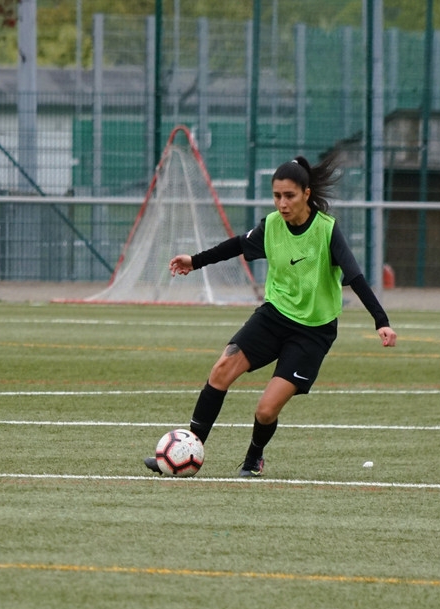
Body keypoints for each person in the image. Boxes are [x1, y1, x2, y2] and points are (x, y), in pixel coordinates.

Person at [144, 154, 397, 477]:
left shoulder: (326, 231)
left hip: (313, 331)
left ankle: (253, 458)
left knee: (266, 410)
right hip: (274, 316)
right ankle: (188, 448)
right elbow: (236, 245)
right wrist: (195, 261)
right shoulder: (272, 226)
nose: (282, 203)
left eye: (289, 196)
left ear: (306, 194)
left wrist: (381, 321)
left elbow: (356, 277)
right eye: (277, 196)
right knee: (221, 369)